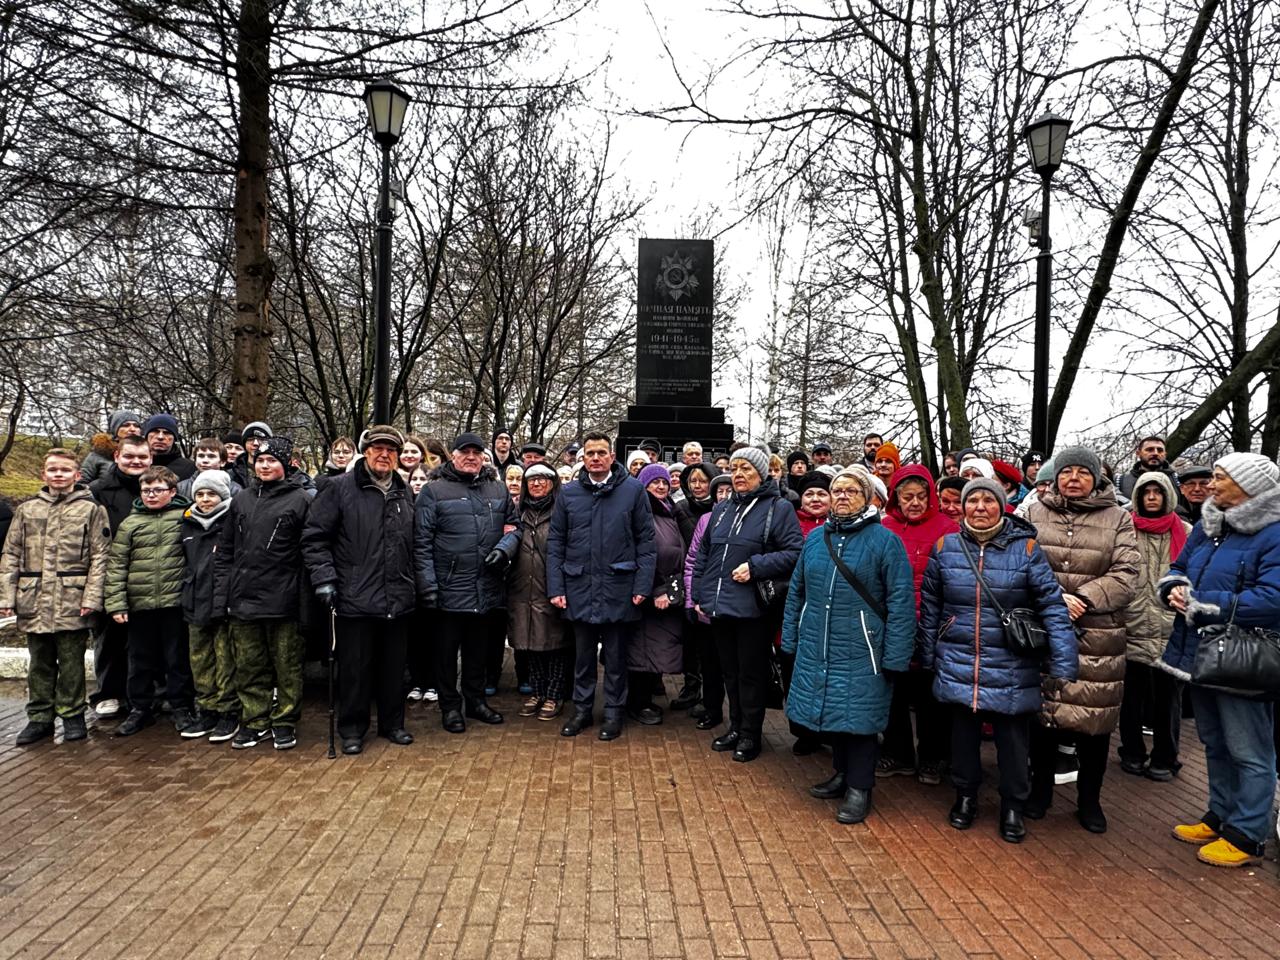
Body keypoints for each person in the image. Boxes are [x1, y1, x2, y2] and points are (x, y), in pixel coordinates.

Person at [919, 478, 1078, 843]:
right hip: (961, 658)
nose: (979, 507)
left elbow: (1052, 606)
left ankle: (1012, 805)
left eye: (987, 500)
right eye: (971, 500)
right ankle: (965, 797)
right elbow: (930, 607)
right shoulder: (945, 546)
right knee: (963, 738)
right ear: (961, 506)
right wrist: (929, 654)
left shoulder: (1026, 549)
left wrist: (1064, 659)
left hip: (1011, 661)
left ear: (1001, 505)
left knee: (1012, 742)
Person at [1159, 453, 1280, 868]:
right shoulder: (1211, 524)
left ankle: (1248, 834)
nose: (1210, 484)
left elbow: (1274, 599)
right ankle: (1221, 814)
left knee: (1250, 748)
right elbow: (1177, 567)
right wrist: (1173, 589)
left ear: (1249, 486)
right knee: (1215, 741)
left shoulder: (1275, 532)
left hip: (1246, 657)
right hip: (1202, 651)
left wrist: (1204, 602)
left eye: (1220, 477)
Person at [782, 467, 915, 823]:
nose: (841, 496)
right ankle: (841, 774)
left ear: (868, 498)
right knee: (832, 712)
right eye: (836, 490)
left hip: (863, 648)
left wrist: (896, 656)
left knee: (860, 720)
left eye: (851, 491)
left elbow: (901, 603)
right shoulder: (815, 539)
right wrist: (791, 637)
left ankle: (860, 786)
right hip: (819, 642)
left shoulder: (885, 541)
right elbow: (797, 591)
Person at [1025, 446, 1140, 834]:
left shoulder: (1118, 517)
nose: (1073, 478)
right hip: (1044, 629)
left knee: (1094, 719)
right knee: (1043, 716)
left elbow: (1128, 573)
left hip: (1098, 633)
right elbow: (1021, 564)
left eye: (1082, 472)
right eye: (1066, 471)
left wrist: (1085, 599)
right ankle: (1039, 791)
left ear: (1096, 478)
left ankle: (1090, 800)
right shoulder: (1034, 512)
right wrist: (1052, 599)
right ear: (1055, 476)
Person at [303, 425, 416, 754]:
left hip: (398, 595)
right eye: (378, 448)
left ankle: (393, 724)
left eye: (391, 450)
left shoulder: (403, 491)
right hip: (355, 596)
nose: (384, 455)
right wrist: (324, 578)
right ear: (365, 452)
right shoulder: (339, 488)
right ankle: (352, 729)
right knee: (355, 669)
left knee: (394, 668)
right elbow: (315, 538)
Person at [692, 445, 803, 762]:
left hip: (753, 607)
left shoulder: (778, 509)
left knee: (750, 674)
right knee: (730, 672)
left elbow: (795, 552)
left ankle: (751, 735)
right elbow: (704, 554)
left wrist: (756, 567)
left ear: (762, 474)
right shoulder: (722, 509)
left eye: (746, 470)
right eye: (735, 469)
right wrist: (700, 593)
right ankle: (736, 727)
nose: (739, 475)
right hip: (719, 604)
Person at [547, 432, 656, 742]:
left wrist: (642, 584)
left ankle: (613, 713)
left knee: (616, 658)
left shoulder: (633, 491)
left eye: (601, 453)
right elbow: (556, 542)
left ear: (611, 457)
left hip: (618, 588)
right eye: (590, 453)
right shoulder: (568, 494)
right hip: (579, 587)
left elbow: (646, 541)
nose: (595, 457)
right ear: (583, 458)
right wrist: (556, 587)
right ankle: (581, 710)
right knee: (582, 658)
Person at [0, 449, 111, 745]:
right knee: (40, 661)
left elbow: (100, 556)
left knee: (72, 660)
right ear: (44, 474)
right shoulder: (27, 510)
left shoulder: (91, 509)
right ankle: (39, 717)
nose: (58, 475)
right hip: (33, 598)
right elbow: (11, 553)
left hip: (71, 599)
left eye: (65, 470)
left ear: (77, 475)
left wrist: (92, 597)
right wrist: (6, 596)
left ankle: (72, 714)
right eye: (53, 470)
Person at [414, 432, 518, 734]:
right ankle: (450, 707)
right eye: (465, 452)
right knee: (446, 654)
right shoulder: (433, 491)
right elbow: (421, 543)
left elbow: (515, 526)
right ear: (454, 456)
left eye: (476, 452)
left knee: (478, 651)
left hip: (486, 587)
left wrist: (505, 548)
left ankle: (475, 702)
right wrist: (428, 586)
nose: (471, 457)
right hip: (449, 588)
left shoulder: (497, 490)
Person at [215, 437, 311, 750]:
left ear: (287, 464)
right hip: (243, 597)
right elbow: (226, 550)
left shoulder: (301, 500)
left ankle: (284, 721)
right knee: (249, 665)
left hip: (284, 599)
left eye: (272, 461)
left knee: (286, 665)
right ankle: (255, 720)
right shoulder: (241, 499)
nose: (265, 466)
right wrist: (223, 596)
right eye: (260, 461)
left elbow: (309, 552)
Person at [879, 465, 959, 784]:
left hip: (932, 624)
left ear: (931, 497)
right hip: (892, 622)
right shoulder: (884, 528)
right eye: (907, 496)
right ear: (895, 498)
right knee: (893, 691)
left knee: (930, 695)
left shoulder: (948, 529)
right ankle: (897, 753)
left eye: (921, 496)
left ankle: (933, 757)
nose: (914, 502)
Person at [104, 465, 194, 736]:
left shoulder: (185, 517)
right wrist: (116, 603)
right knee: (139, 660)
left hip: (174, 602)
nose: (151, 495)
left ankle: (181, 707)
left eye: (158, 490)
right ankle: (140, 709)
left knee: (177, 659)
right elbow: (117, 565)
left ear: (172, 491)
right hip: (139, 603)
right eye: (146, 490)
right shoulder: (131, 523)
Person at [1118, 472, 1190, 781]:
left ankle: (1165, 756)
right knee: (1131, 696)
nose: (1151, 497)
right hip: (1132, 622)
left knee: (1167, 699)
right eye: (1145, 491)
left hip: (1170, 625)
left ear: (1167, 495)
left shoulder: (1186, 531)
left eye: (1157, 492)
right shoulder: (1124, 528)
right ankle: (1132, 751)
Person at [88, 434, 154, 717]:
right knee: (109, 638)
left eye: (142, 457)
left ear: (150, 459)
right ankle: (109, 692)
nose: (136, 462)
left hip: (149, 573)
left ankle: (143, 694)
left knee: (144, 639)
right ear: (117, 457)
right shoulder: (98, 490)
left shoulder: (156, 486)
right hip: (110, 572)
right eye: (129, 456)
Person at [178, 470, 239, 741]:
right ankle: (207, 708)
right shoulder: (187, 523)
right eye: (200, 494)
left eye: (211, 494)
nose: (205, 499)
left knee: (225, 659)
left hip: (223, 600)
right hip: (194, 600)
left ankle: (228, 711)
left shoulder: (232, 521)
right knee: (200, 659)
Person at [508, 464, 571, 720]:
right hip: (522, 589)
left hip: (551, 588)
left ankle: (554, 694)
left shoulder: (562, 511)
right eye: (531, 480)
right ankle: (537, 690)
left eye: (542, 479)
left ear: (552, 484)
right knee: (530, 644)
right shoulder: (516, 512)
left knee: (554, 644)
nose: (536, 484)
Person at [627, 464, 688, 726]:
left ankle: (645, 697)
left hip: (666, 593)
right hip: (648, 596)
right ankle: (637, 703)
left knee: (656, 649)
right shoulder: (641, 514)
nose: (661, 486)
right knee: (641, 651)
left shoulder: (670, 513)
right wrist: (655, 589)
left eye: (664, 482)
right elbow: (642, 555)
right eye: (654, 482)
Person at [779, 469, 831, 755]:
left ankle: (827, 729)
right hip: (795, 607)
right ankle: (803, 732)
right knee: (795, 672)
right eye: (809, 493)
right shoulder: (791, 522)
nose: (815, 499)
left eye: (821, 493)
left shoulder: (839, 525)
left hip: (829, 613)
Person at [671, 463, 720, 713]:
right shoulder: (679, 508)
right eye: (693, 482)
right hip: (686, 578)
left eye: (703, 481)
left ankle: (710, 696)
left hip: (713, 581)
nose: (698, 486)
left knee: (709, 645)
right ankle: (691, 687)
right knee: (689, 641)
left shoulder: (722, 510)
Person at [80, 410, 143, 484]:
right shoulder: (99, 454)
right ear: (115, 429)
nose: (132, 429)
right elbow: (81, 483)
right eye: (126, 425)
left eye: (136, 426)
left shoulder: (147, 453)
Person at [177, 438, 243, 500]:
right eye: (201, 456)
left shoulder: (235, 489)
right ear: (195, 460)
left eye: (211, 456)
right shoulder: (181, 487)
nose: (205, 460)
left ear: (222, 462)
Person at [1117, 435, 1179, 499]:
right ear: (1138, 453)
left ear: (1165, 454)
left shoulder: (1178, 480)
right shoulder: (1121, 482)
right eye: (1149, 450)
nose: (1155, 453)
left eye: (1160, 450)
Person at [142, 413, 196, 480]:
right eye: (155, 431)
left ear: (174, 438)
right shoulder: (136, 465)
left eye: (167, 433)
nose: (160, 437)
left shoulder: (189, 468)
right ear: (146, 436)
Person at [227, 421, 272, 489]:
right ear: (244, 443)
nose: (255, 443)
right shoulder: (232, 473)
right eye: (250, 439)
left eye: (261, 439)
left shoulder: (277, 470)